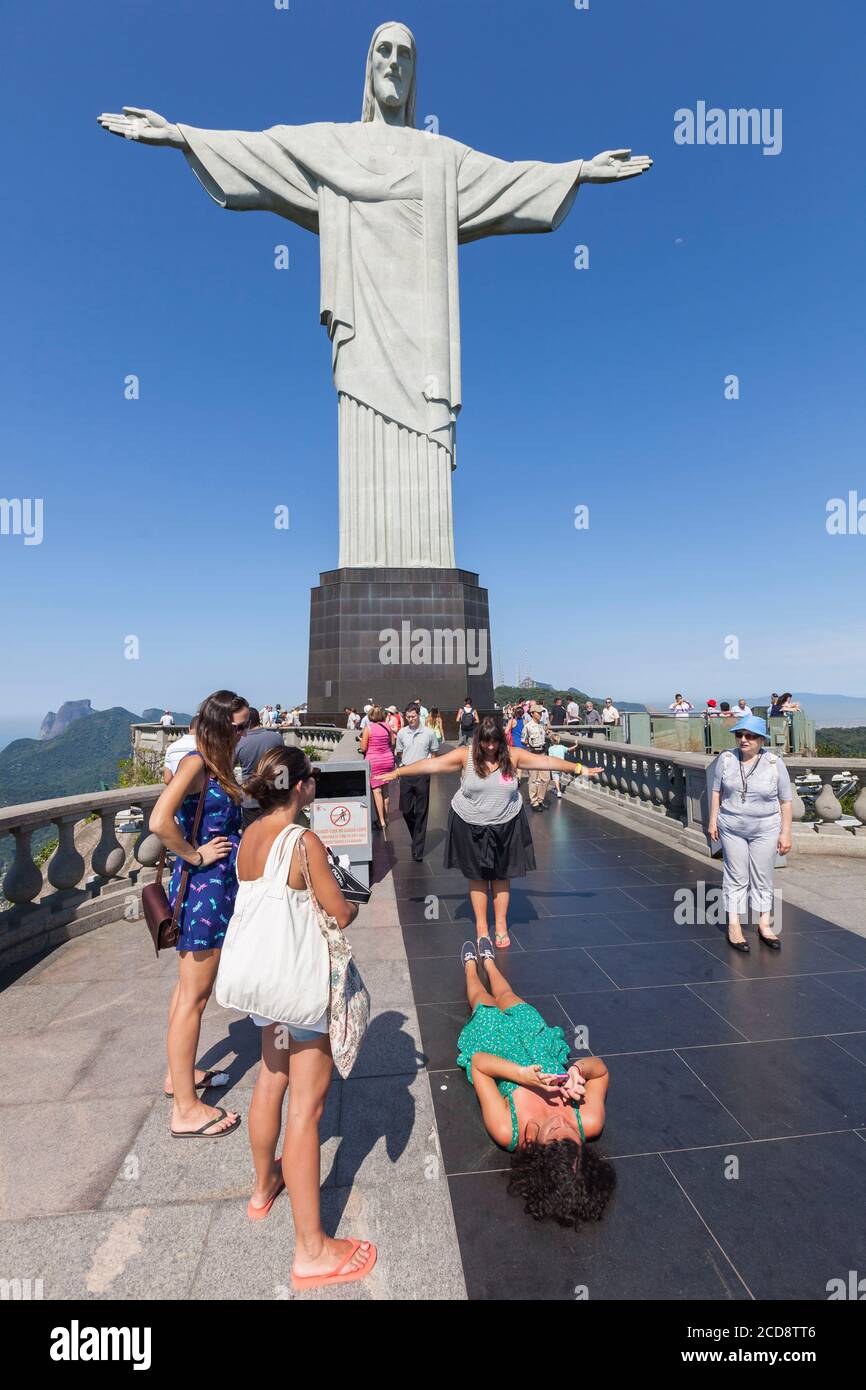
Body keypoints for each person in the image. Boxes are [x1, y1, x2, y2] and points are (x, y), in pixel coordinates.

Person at [232, 745, 376, 1289]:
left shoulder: (249, 838)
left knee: (271, 1079)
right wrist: (352, 902)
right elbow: (340, 913)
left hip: (264, 987)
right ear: (300, 787)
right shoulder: (304, 840)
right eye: (311, 778)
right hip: (299, 988)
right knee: (307, 1111)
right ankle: (312, 1250)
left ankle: (262, 1187)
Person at [381, 717, 602, 947]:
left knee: (501, 876)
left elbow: (545, 761)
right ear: (478, 741)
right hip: (470, 823)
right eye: (485, 743)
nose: (490, 748)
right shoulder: (465, 755)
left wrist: (580, 768)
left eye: (494, 742)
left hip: (506, 823)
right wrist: (399, 773)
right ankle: (481, 926)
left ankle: (501, 924)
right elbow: (430, 765)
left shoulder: (512, 755)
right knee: (477, 877)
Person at [457, 938, 614, 1225]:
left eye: (553, 1135)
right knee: (506, 993)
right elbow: (601, 1070)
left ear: (538, 1153)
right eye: (570, 1134)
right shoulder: (588, 1121)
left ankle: (469, 968)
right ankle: (489, 962)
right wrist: (577, 1071)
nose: (561, 1123)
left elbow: (479, 1065)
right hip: (536, 1042)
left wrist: (521, 1075)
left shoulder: (509, 1131)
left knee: (481, 999)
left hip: (495, 1049)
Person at [150, 690, 249, 1137]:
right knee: (195, 995)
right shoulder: (196, 763)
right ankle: (187, 1111)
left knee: (186, 990)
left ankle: (180, 1076)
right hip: (204, 890)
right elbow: (159, 820)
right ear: (218, 726)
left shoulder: (217, 764)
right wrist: (195, 856)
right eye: (239, 726)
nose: (244, 733)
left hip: (217, 887)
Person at [707, 715, 793, 953]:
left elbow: (786, 801)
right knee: (736, 875)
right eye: (740, 735)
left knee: (762, 875)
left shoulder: (775, 763)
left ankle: (764, 923)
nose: (744, 740)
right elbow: (716, 792)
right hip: (731, 826)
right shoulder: (726, 759)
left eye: (750, 736)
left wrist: (786, 833)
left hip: (765, 828)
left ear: (761, 739)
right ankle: (734, 925)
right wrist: (713, 821)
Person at [395, 704, 439, 860]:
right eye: (408, 717)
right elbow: (399, 752)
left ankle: (418, 849)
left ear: (419, 715)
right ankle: (417, 835)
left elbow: (434, 752)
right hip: (406, 773)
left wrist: (430, 769)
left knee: (421, 812)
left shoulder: (429, 733)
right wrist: (400, 767)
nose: (410, 719)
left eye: (413, 716)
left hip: (422, 774)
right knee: (406, 811)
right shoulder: (401, 733)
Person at [236, 708, 285, 829]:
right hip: (273, 794)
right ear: (259, 719)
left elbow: (228, 767)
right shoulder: (276, 737)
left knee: (251, 835)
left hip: (249, 795)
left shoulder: (239, 741)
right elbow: (282, 764)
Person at [359, 704, 396, 832]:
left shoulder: (368, 728)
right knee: (385, 790)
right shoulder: (387, 727)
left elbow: (363, 748)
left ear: (370, 716)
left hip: (374, 761)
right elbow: (392, 743)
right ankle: (386, 818)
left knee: (377, 791)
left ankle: (381, 821)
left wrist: (360, 740)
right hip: (387, 760)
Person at [521, 703, 550, 811]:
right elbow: (523, 740)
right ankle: (534, 802)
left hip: (542, 753)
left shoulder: (542, 725)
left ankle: (540, 799)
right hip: (533, 754)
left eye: (541, 713)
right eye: (538, 713)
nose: (540, 715)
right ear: (532, 713)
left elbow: (546, 734)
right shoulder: (528, 727)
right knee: (533, 779)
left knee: (546, 778)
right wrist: (529, 745)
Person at [163, 716, 198, 783]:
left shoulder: (171, 747)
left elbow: (167, 779)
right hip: (201, 791)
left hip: (179, 791)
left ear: (189, 728)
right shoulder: (205, 747)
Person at [547, 732, 568, 798]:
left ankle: (558, 791)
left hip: (554, 765)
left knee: (556, 779)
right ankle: (556, 788)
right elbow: (568, 749)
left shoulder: (551, 748)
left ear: (552, 741)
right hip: (561, 765)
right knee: (558, 777)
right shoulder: (562, 747)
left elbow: (550, 758)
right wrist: (575, 745)